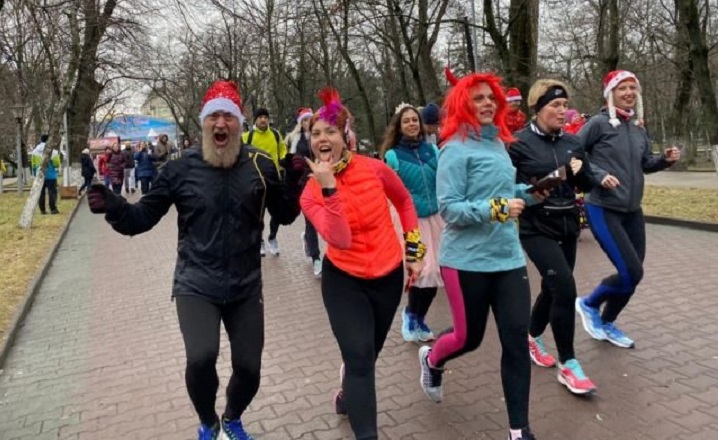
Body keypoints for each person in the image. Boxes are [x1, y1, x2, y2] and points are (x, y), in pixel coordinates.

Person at [87, 80, 304, 440]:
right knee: (201, 358)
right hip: (196, 282)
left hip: (246, 285)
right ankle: (208, 423)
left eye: (228, 117)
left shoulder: (260, 165)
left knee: (249, 369)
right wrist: (114, 207)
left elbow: (286, 213)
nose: (221, 123)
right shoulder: (180, 168)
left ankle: (232, 418)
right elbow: (141, 218)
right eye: (213, 116)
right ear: (203, 123)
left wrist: (295, 179)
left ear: (239, 123)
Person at [418, 72, 547, 440]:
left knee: (516, 342)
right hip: (466, 262)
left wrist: (531, 192)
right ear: (464, 105)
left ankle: (519, 430)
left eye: (491, 98)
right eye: (478, 98)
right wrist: (497, 209)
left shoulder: (498, 144)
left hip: (508, 259)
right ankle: (432, 359)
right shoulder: (454, 150)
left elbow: (504, 191)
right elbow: (450, 208)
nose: (487, 103)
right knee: (468, 338)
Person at [300, 88, 425, 440]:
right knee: (358, 358)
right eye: (316, 133)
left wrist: (414, 248)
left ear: (345, 137)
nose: (322, 139)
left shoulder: (374, 168)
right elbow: (339, 239)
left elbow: (404, 202)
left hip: (388, 275)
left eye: (330, 131)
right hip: (343, 279)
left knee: (367, 356)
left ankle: (347, 393)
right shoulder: (310, 193)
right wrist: (328, 189)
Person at [575, 70, 680, 349]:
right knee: (630, 271)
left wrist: (664, 160)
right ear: (610, 93)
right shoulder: (597, 124)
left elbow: (645, 164)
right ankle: (589, 303)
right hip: (603, 207)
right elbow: (573, 153)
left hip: (632, 210)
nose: (629, 92)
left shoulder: (637, 128)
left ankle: (606, 322)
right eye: (622, 88)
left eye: (633, 88)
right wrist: (599, 175)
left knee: (633, 274)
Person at [508, 79, 596, 395]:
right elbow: (511, 188)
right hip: (536, 228)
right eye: (555, 105)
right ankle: (569, 363)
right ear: (538, 107)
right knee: (565, 288)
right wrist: (549, 180)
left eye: (564, 105)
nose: (562, 110)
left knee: (552, 286)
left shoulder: (573, 142)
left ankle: (531, 336)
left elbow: (585, 183)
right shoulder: (518, 144)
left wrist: (583, 173)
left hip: (567, 224)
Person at [380, 103, 443, 343]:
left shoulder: (433, 150)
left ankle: (419, 317)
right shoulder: (393, 156)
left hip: (436, 218)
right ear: (399, 126)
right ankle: (410, 315)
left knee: (437, 272)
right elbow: (386, 190)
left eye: (414, 120)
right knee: (422, 271)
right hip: (411, 222)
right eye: (406, 121)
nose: (411, 124)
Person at [242, 108, 287, 257]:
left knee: (277, 213)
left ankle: (272, 238)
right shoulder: (247, 136)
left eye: (265, 117)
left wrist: (283, 159)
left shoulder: (275, 134)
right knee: (258, 214)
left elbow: (282, 149)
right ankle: (260, 241)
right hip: (256, 181)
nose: (263, 120)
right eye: (260, 117)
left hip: (274, 180)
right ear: (255, 119)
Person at [287, 107, 323, 277]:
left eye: (309, 119)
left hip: (320, 181)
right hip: (303, 183)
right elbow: (290, 161)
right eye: (304, 120)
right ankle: (316, 259)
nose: (307, 123)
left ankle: (307, 239)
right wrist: (296, 165)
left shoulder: (319, 136)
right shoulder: (296, 139)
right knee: (311, 221)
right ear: (300, 123)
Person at [31, 134, 61, 215]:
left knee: (41, 193)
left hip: (40, 175)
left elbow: (33, 164)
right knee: (52, 192)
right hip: (51, 175)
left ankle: (42, 210)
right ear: (48, 141)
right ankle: (53, 209)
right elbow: (56, 164)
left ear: (41, 140)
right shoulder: (53, 151)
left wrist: (35, 174)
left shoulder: (35, 151)